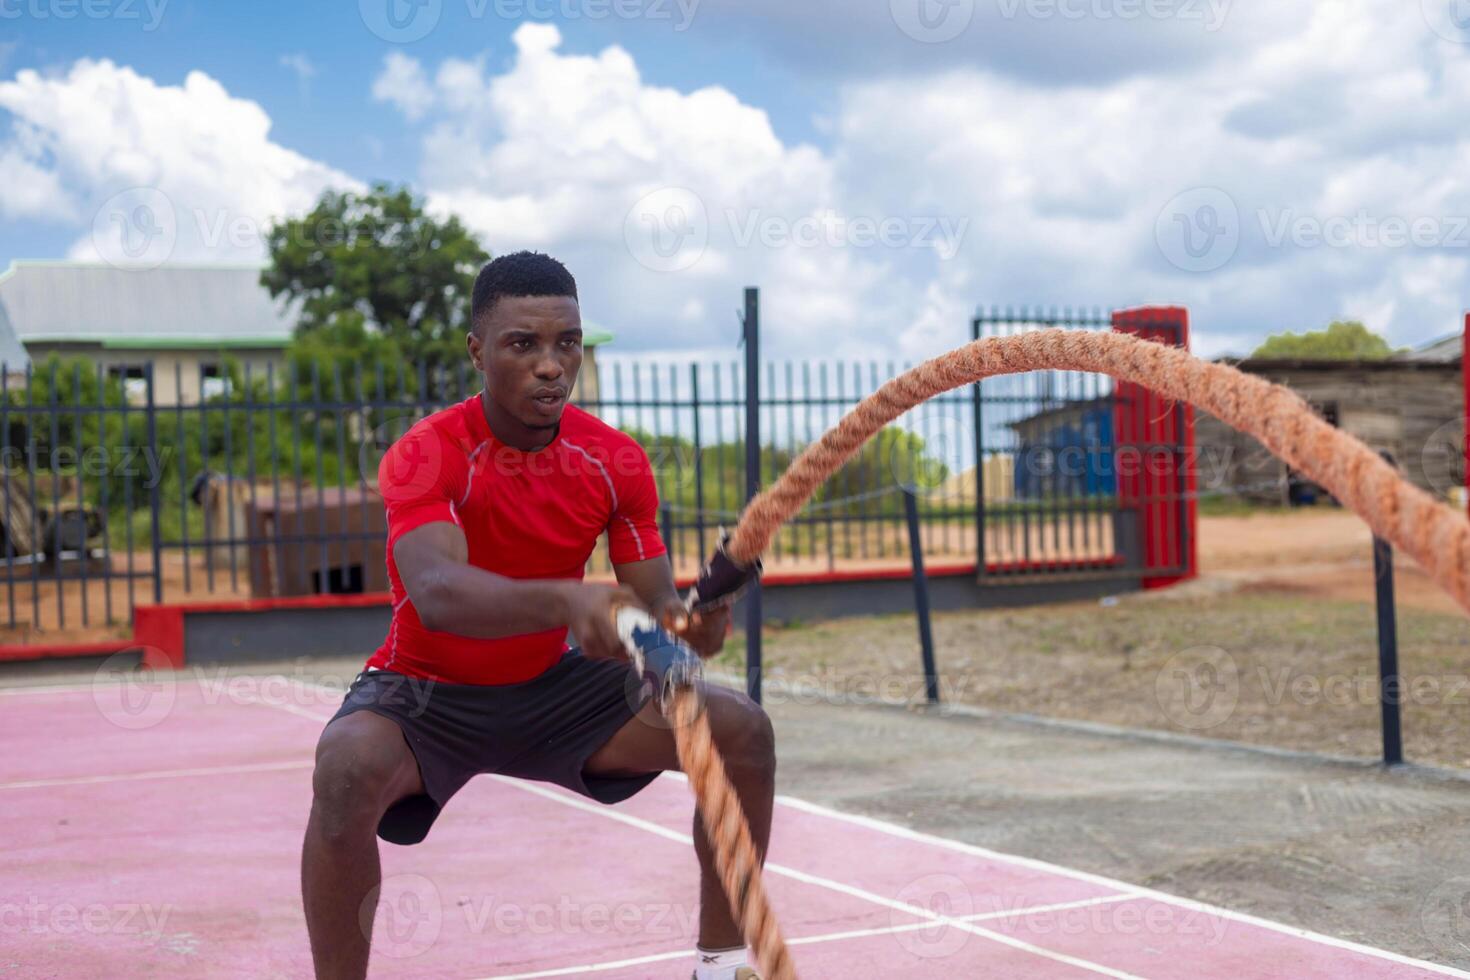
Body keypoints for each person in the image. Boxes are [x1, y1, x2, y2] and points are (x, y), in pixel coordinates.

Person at [301, 251, 774, 980]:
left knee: (741, 729)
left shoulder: (613, 462)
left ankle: (718, 967)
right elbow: (438, 592)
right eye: (524, 344)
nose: (551, 365)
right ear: (477, 351)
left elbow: (659, 619)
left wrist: (694, 625)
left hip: (553, 692)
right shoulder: (427, 454)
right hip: (425, 695)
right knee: (344, 767)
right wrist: (565, 599)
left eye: (568, 343)